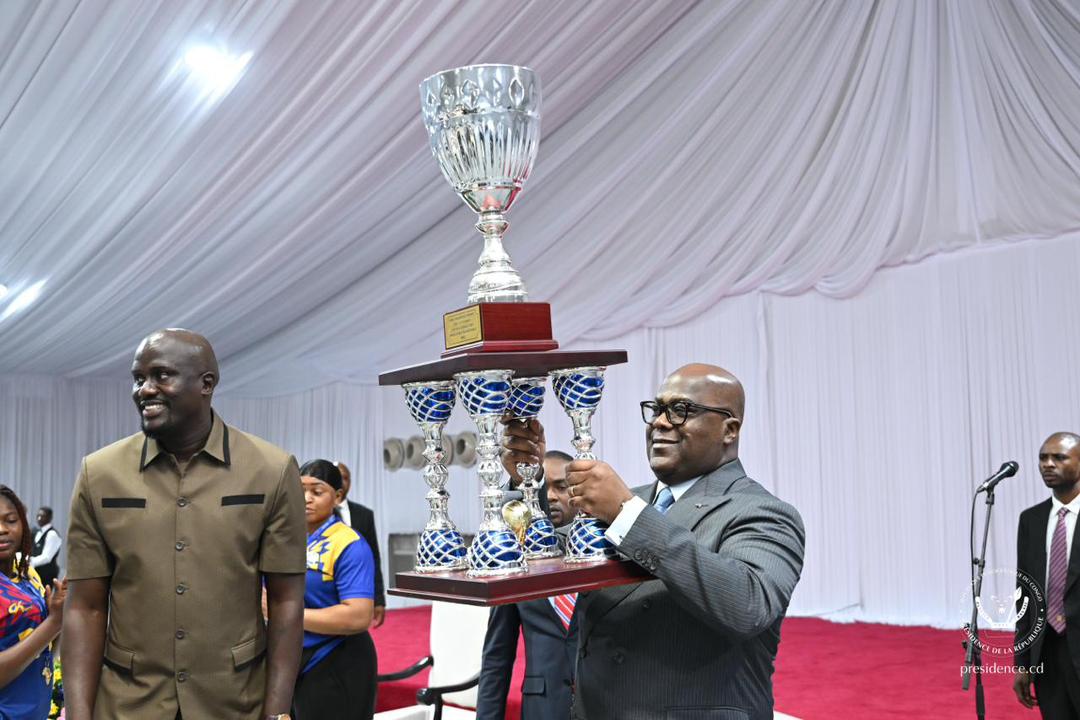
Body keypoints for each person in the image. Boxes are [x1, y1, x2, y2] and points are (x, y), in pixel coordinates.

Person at [502, 363, 805, 720]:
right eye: (657, 409)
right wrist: (528, 481)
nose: (660, 422)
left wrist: (627, 514)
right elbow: (550, 555)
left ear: (730, 429)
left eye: (681, 410)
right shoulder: (630, 502)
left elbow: (747, 605)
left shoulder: (762, 511)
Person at [64, 329, 307, 720]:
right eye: (138, 378)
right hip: (129, 705)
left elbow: (286, 601)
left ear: (206, 383)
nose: (145, 390)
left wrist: (277, 713)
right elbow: (85, 607)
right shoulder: (100, 473)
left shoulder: (271, 470)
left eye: (162, 375)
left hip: (235, 702)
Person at [477, 450, 580, 720]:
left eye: (561, 487)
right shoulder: (515, 563)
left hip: (602, 702)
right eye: (545, 489)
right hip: (542, 708)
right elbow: (497, 655)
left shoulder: (603, 552)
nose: (552, 496)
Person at [292, 460, 376, 720]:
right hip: (294, 659)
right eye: (300, 490)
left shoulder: (350, 543)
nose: (306, 499)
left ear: (338, 497)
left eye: (317, 492)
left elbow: (359, 616)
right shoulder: (286, 537)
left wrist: (289, 616)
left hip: (337, 659)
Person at [1014, 432, 1080, 717]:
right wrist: (1022, 663)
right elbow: (1024, 594)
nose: (1048, 464)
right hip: (1047, 652)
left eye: (1059, 457)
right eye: (1043, 458)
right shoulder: (1031, 519)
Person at [0, 486, 66, 720]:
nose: (2, 529)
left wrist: (57, 618)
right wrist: (53, 623)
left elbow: (45, 651)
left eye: (10, 520)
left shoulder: (28, 575)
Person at [335, 462, 386, 629]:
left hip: (358, 596)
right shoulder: (314, 514)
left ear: (350, 482)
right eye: (337, 477)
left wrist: (379, 599)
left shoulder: (364, 515)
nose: (341, 482)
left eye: (345, 478)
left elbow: (374, 558)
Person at [30, 508, 61, 589]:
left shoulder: (52, 534)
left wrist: (30, 561)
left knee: (44, 595)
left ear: (50, 518)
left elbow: (47, 557)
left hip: (46, 574)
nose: (39, 518)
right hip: (36, 573)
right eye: (38, 516)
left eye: (42, 516)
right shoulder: (36, 532)